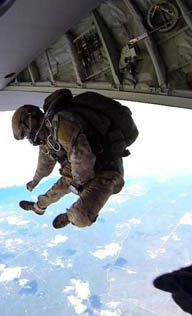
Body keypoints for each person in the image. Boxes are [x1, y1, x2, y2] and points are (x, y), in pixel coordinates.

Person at [12, 89, 138, 229]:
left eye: (26, 133)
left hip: (106, 170)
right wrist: (35, 181)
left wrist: (75, 184)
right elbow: (45, 164)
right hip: (79, 169)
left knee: (80, 217)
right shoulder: (49, 136)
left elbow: (83, 158)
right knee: (60, 186)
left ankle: (69, 216)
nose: (30, 138)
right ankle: (38, 207)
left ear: (31, 120)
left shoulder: (61, 124)